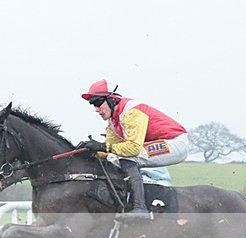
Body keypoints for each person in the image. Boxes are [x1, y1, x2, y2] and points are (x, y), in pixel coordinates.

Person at [78, 80, 189, 220]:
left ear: (111, 100)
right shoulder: (113, 121)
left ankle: (140, 207)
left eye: (98, 103)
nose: (96, 109)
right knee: (114, 157)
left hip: (175, 142)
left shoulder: (131, 112)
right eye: (93, 105)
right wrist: (88, 150)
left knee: (128, 157)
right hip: (161, 143)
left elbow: (133, 149)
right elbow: (109, 150)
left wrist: (101, 146)